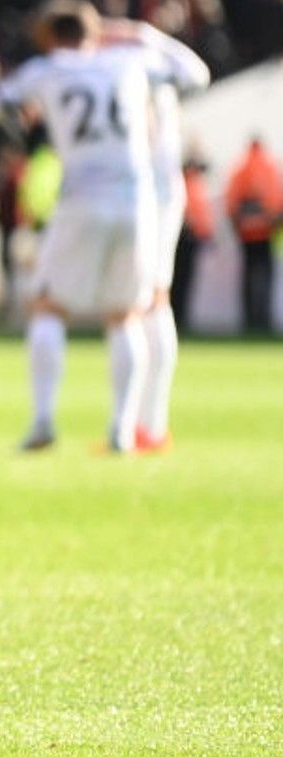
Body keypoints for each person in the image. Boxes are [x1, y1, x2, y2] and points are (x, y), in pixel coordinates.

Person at [0, 0, 208, 453]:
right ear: (96, 32)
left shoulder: (48, 69)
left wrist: (16, 104)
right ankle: (122, 429)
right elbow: (196, 73)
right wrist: (142, 33)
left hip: (81, 198)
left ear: (52, 37)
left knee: (48, 307)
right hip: (136, 203)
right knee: (127, 314)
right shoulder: (129, 62)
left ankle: (42, 421)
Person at [132, 38, 211, 451]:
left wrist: (143, 32)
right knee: (150, 302)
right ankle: (147, 425)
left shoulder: (141, 77)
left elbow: (199, 73)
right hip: (158, 195)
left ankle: (148, 426)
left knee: (149, 302)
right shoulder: (159, 81)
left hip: (153, 197)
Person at [223, 136, 282, 334]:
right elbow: (277, 202)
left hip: (246, 234)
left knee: (248, 278)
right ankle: (262, 319)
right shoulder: (270, 167)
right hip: (266, 233)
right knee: (265, 277)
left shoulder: (240, 168)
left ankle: (249, 319)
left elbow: (231, 202)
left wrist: (238, 224)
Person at [170, 156, 213, 330]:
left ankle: (180, 317)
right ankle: (177, 317)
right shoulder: (187, 184)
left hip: (191, 236)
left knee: (183, 281)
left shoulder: (193, 184)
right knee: (178, 280)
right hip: (184, 236)